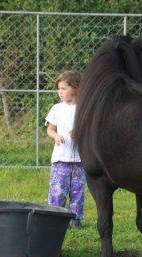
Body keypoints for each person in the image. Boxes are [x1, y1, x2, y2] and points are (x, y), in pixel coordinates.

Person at [46, 71, 85, 229]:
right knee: (58, 190)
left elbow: (89, 129)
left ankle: (75, 219)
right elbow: (50, 129)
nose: (60, 92)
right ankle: (54, 217)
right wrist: (55, 136)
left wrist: (79, 132)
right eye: (58, 89)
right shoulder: (57, 108)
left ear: (75, 88)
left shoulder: (84, 108)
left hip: (80, 160)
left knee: (78, 192)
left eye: (63, 88)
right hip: (61, 159)